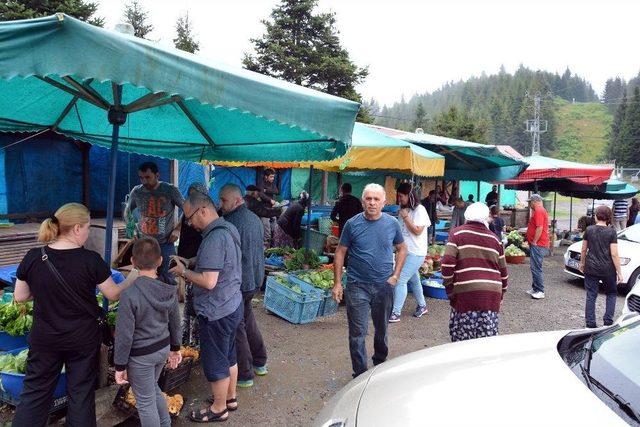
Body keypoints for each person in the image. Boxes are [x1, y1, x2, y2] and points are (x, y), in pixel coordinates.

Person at [12, 203, 130, 426]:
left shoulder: (33, 257)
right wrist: (134, 277)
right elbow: (113, 294)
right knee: (81, 395)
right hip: (82, 340)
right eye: (87, 227)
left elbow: (19, 296)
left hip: (44, 339)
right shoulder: (91, 260)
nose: (87, 232)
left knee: (35, 396)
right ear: (77, 228)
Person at [169, 191, 243, 423]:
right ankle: (230, 398)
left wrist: (184, 272)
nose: (189, 224)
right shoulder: (227, 228)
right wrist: (191, 261)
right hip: (232, 304)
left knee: (215, 360)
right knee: (229, 356)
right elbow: (217, 264)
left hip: (216, 310)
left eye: (190, 218)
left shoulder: (213, 238)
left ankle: (219, 408)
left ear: (203, 210)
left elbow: (210, 281)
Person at [332, 183, 407, 378]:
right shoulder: (352, 224)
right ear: (363, 201)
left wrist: (396, 275)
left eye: (376, 199)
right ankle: (360, 374)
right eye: (368, 199)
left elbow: (402, 248)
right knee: (357, 333)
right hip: (357, 286)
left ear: (384, 202)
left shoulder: (392, 224)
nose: (372, 203)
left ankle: (380, 364)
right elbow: (340, 252)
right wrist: (338, 283)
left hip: (384, 286)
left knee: (381, 330)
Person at [114, 238, 182, 427]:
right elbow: (176, 321)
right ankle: (165, 423)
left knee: (145, 403)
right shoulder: (169, 290)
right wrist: (175, 348)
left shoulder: (129, 293)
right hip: (161, 350)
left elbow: (124, 335)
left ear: (133, 263)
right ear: (160, 261)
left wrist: (119, 366)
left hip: (141, 356)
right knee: (152, 389)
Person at [219, 184, 268, 389]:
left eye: (224, 200)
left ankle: (245, 373)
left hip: (239, 282)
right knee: (247, 319)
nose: (220, 204)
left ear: (238, 200)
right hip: (255, 279)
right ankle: (260, 362)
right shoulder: (254, 218)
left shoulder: (229, 223)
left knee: (236, 327)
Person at [441, 203, 508, 342]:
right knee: (485, 343)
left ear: (467, 216)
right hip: (491, 295)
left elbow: (447, 264)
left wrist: (450, 290)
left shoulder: (457, 234)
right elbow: (503, 272)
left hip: (466, 294)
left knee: (463, 343)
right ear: (486, 218)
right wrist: (501, 294)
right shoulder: (495, 239)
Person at [124, 162, 184, 275]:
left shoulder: (170, 190)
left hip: (165, 243)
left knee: (168, 277)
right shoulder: (137, 191)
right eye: (141, 178)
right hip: (144, 244)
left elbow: (187, 209)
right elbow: (127, 211)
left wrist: (178, 229)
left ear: (157, 175)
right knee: (143, 277)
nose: (144, 181)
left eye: (148, 177)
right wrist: (132, 229)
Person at [389, 183, 430, 323]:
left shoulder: (420, 210)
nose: (399, 199)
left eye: (401, 196)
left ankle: (395, 313)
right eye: (398, 196)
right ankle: (423, 306)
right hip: (404, 252)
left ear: (409, 196)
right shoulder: (402, 209)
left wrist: (406, 217)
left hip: (416, 252)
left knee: (400, 280)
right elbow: (400, 232)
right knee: (414, 280)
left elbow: (418, 231)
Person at [579, 205, 623, 328]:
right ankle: (607, 322)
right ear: (608, 217)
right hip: (608, 269)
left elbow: (583, 249)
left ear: (596, 216)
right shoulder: (612, 232)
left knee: (591, 295)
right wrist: (619, 272)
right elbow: (614, 254)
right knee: (611, 293)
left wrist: (582, 263)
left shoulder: (589, 230)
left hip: (591, 267)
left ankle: (590, 324)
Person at [177, 183, 208, 348]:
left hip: (200, 265)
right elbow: (182, 237)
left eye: (195, 195)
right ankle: (186, 338)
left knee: (196, 304)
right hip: (188, 262)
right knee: (189, 303)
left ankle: (196, 342)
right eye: (190, 195)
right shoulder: (187, 214)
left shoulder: (207, 217)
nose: (192, 198)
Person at [526, 194, 550, 300]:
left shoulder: (539, 211)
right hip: (538, 244)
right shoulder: (540, 210)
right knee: (534, 267)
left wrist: (534, 241)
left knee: (536, 268)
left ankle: (540, 290)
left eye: (530, 202)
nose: (529, 204)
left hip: (538, 244)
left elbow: (539, 228)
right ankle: (535, 288)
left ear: (534, 201)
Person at [256, 168, 280, 248]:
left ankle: (273, 248)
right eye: (271, 177)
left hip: (271, 210)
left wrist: (266, 190)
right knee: (266, 232)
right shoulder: (260, 183)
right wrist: (270, 200)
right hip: (264, 210)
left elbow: (276, 191)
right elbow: (261, 195)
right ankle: (265, 251)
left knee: (274, 229)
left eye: (273, 177)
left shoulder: (272, 183)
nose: (273, 179)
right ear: (266, 177)